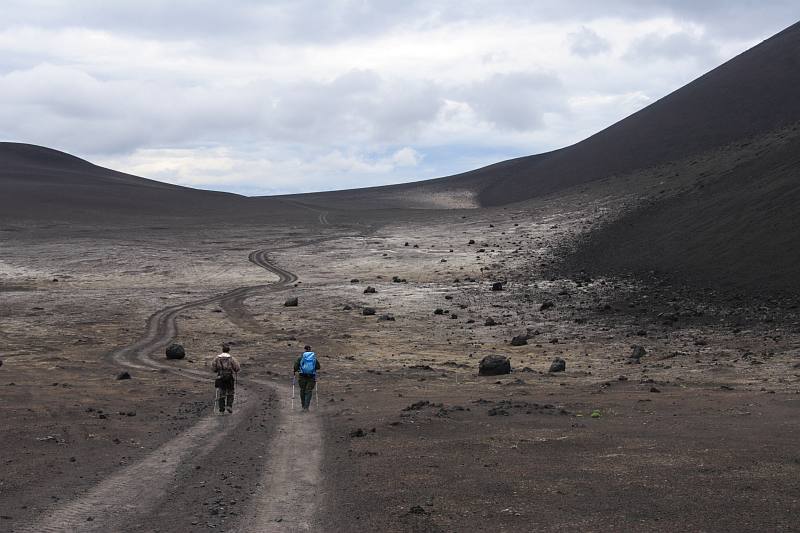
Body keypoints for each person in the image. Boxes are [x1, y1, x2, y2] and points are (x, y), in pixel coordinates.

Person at [212, 344, 240, 413]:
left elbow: (213, 367)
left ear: (222, 350)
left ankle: (221, 408)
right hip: (229, 377)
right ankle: (229, 406)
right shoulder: (231, 358)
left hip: (220, 377)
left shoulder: (217, 358)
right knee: (230, 391)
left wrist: (217, 370)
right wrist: (235, 370)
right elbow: (237, 368)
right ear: (228, 350)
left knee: (222, 392)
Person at [293, 345, 320, 411]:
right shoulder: (314, 358)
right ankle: (306, 407)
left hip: (302, 376)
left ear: (304, 349)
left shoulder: (301, 357)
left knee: (302, 390)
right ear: (310, 349)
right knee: (309, 391)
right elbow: (318, 367)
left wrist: (295, 370)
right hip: (311, 377)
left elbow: (295, 367)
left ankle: (303, 406)